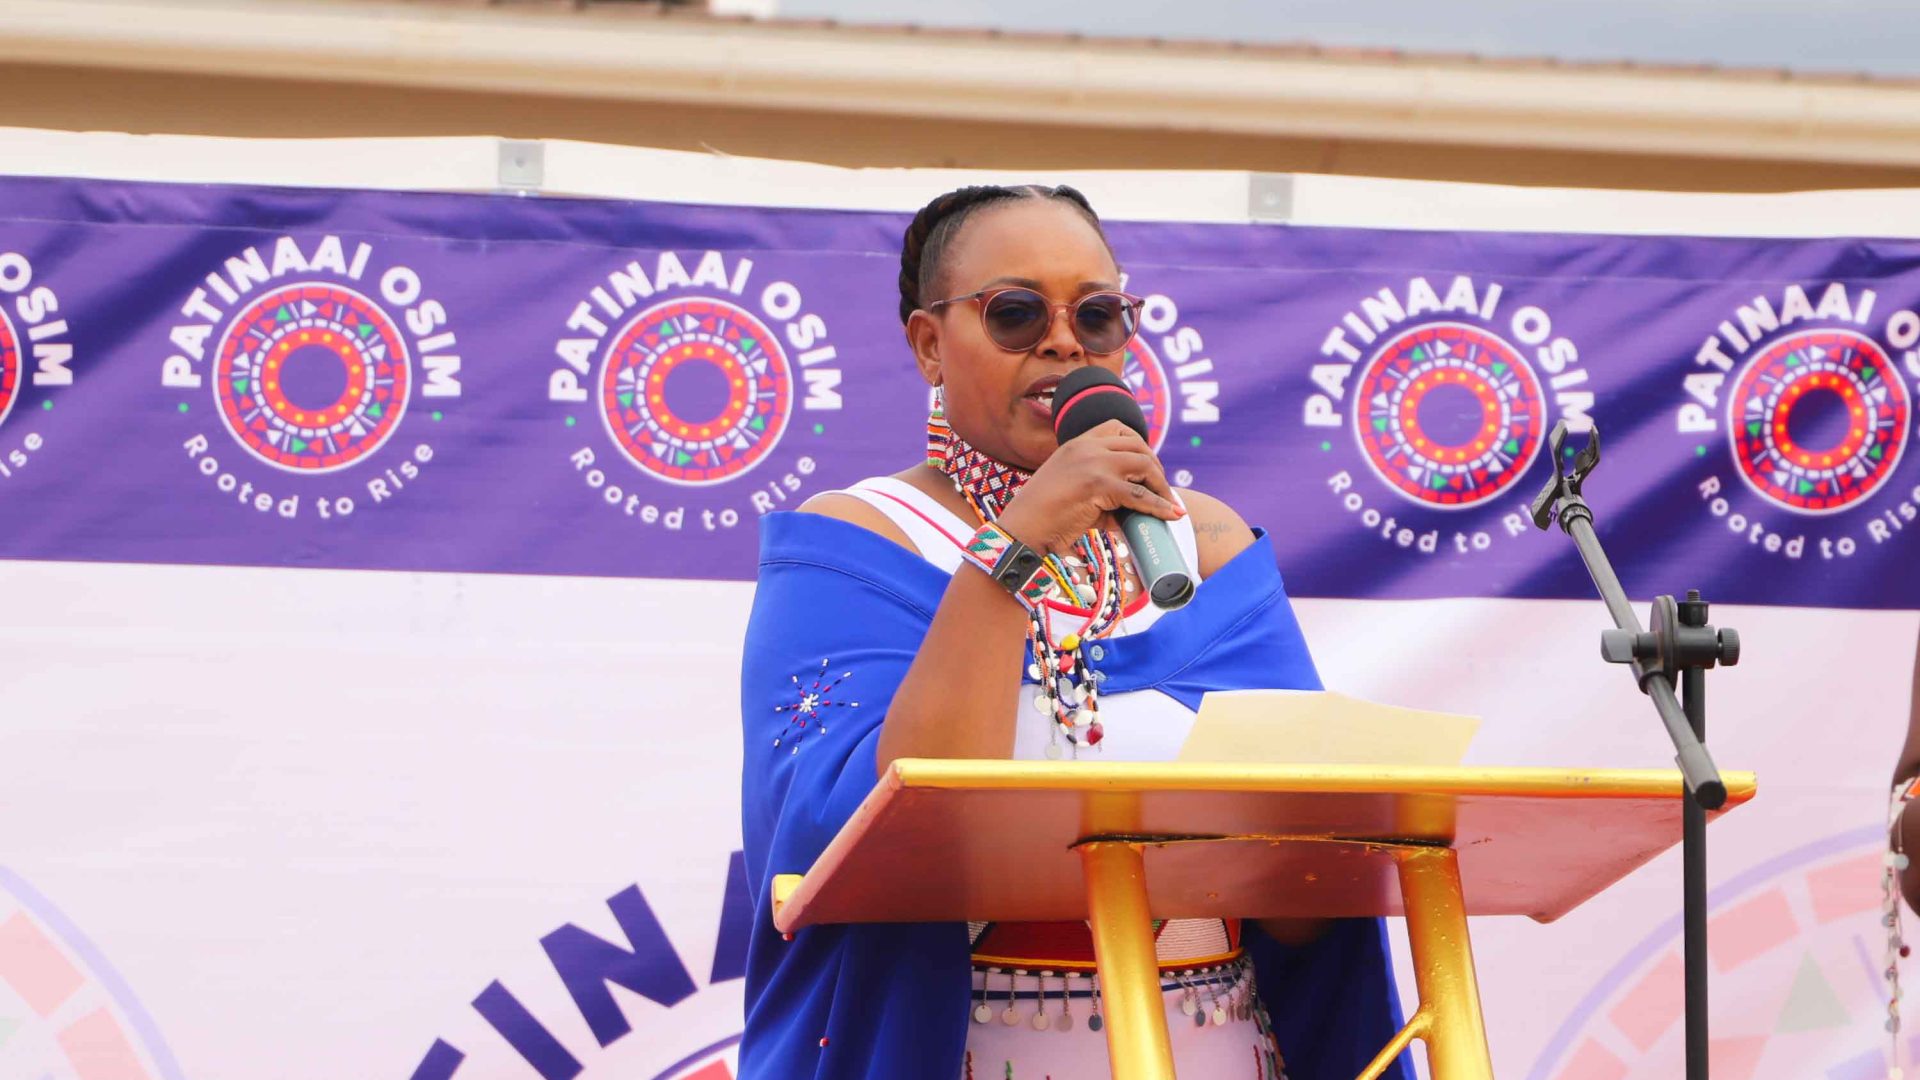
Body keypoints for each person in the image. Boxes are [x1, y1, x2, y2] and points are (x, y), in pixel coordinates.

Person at [739, 183, 1411, 1079]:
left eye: (1097, 316)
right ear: (928, 344)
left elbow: (1306, 903)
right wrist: (1014, 546)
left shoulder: (1202, 540)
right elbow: (875, 840)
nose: (1063, 339)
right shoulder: (860, 539)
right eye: (1015, 313)